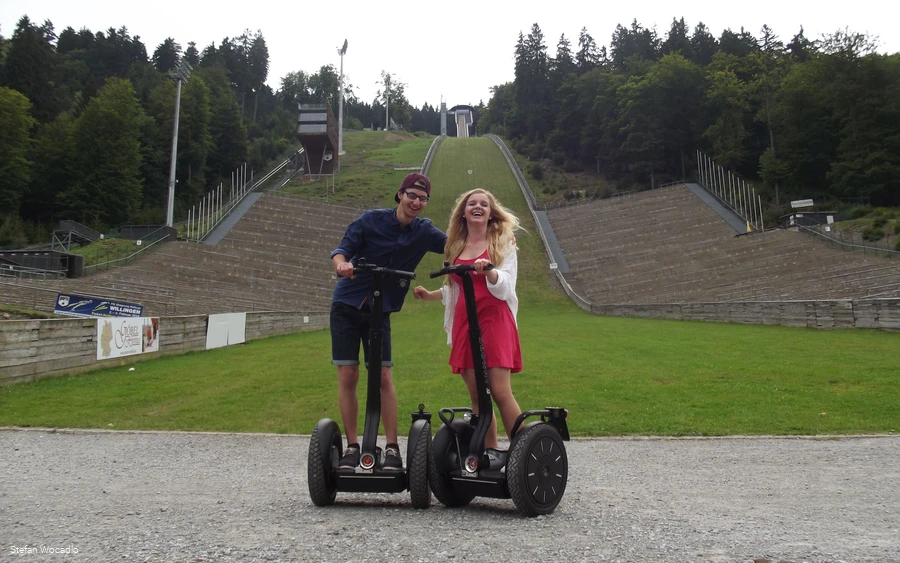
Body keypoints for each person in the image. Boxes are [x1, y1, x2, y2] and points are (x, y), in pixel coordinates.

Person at [330, 172, 447, 470]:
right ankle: (353, 446)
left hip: (380, 309)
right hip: (348, 302)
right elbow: (342, 249)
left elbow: (453, 244)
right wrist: (342, 264)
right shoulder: (370, 220)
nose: (416, 202)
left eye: (422, 198)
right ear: (400, 195)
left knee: (382, 376)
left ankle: (392, 447)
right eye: (411, 195)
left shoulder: (424, 231)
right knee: (348, 375)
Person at [413, 189, 523, 468]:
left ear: (490, 212)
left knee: (499, 390)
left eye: (484, 204)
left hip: (494, 320)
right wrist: (430, 295)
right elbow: (455, 289)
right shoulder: (456, 245)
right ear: (463, 212)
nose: (478, 207)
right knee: (477, 396)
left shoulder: (502, 241)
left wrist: (489, 271)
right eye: (472, 203)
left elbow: (507, 283)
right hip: (466, 322)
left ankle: (524, 454)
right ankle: (490, 456)